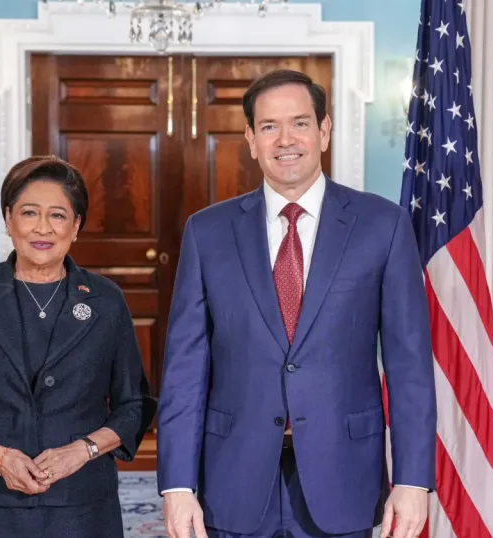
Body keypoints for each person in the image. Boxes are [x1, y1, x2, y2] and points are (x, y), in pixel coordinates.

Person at [156, 69, 436, 538]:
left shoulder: (382, 225)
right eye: (268, 126)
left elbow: (409, 364)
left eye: (300, 123)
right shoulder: (207, 233)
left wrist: (412, 479)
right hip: (235, 477)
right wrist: (177, 485)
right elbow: (185, 369)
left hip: (344, 476)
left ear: (324, 131)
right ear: (250, 138)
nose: (285, 139)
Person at [0, 155, 153, 538]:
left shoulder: (105, 299)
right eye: (29, 213)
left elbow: (135, 406)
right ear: (8, 220)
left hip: (81, 502)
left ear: (76, 226)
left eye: (57, 215)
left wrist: (82, 451)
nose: (43, 228)